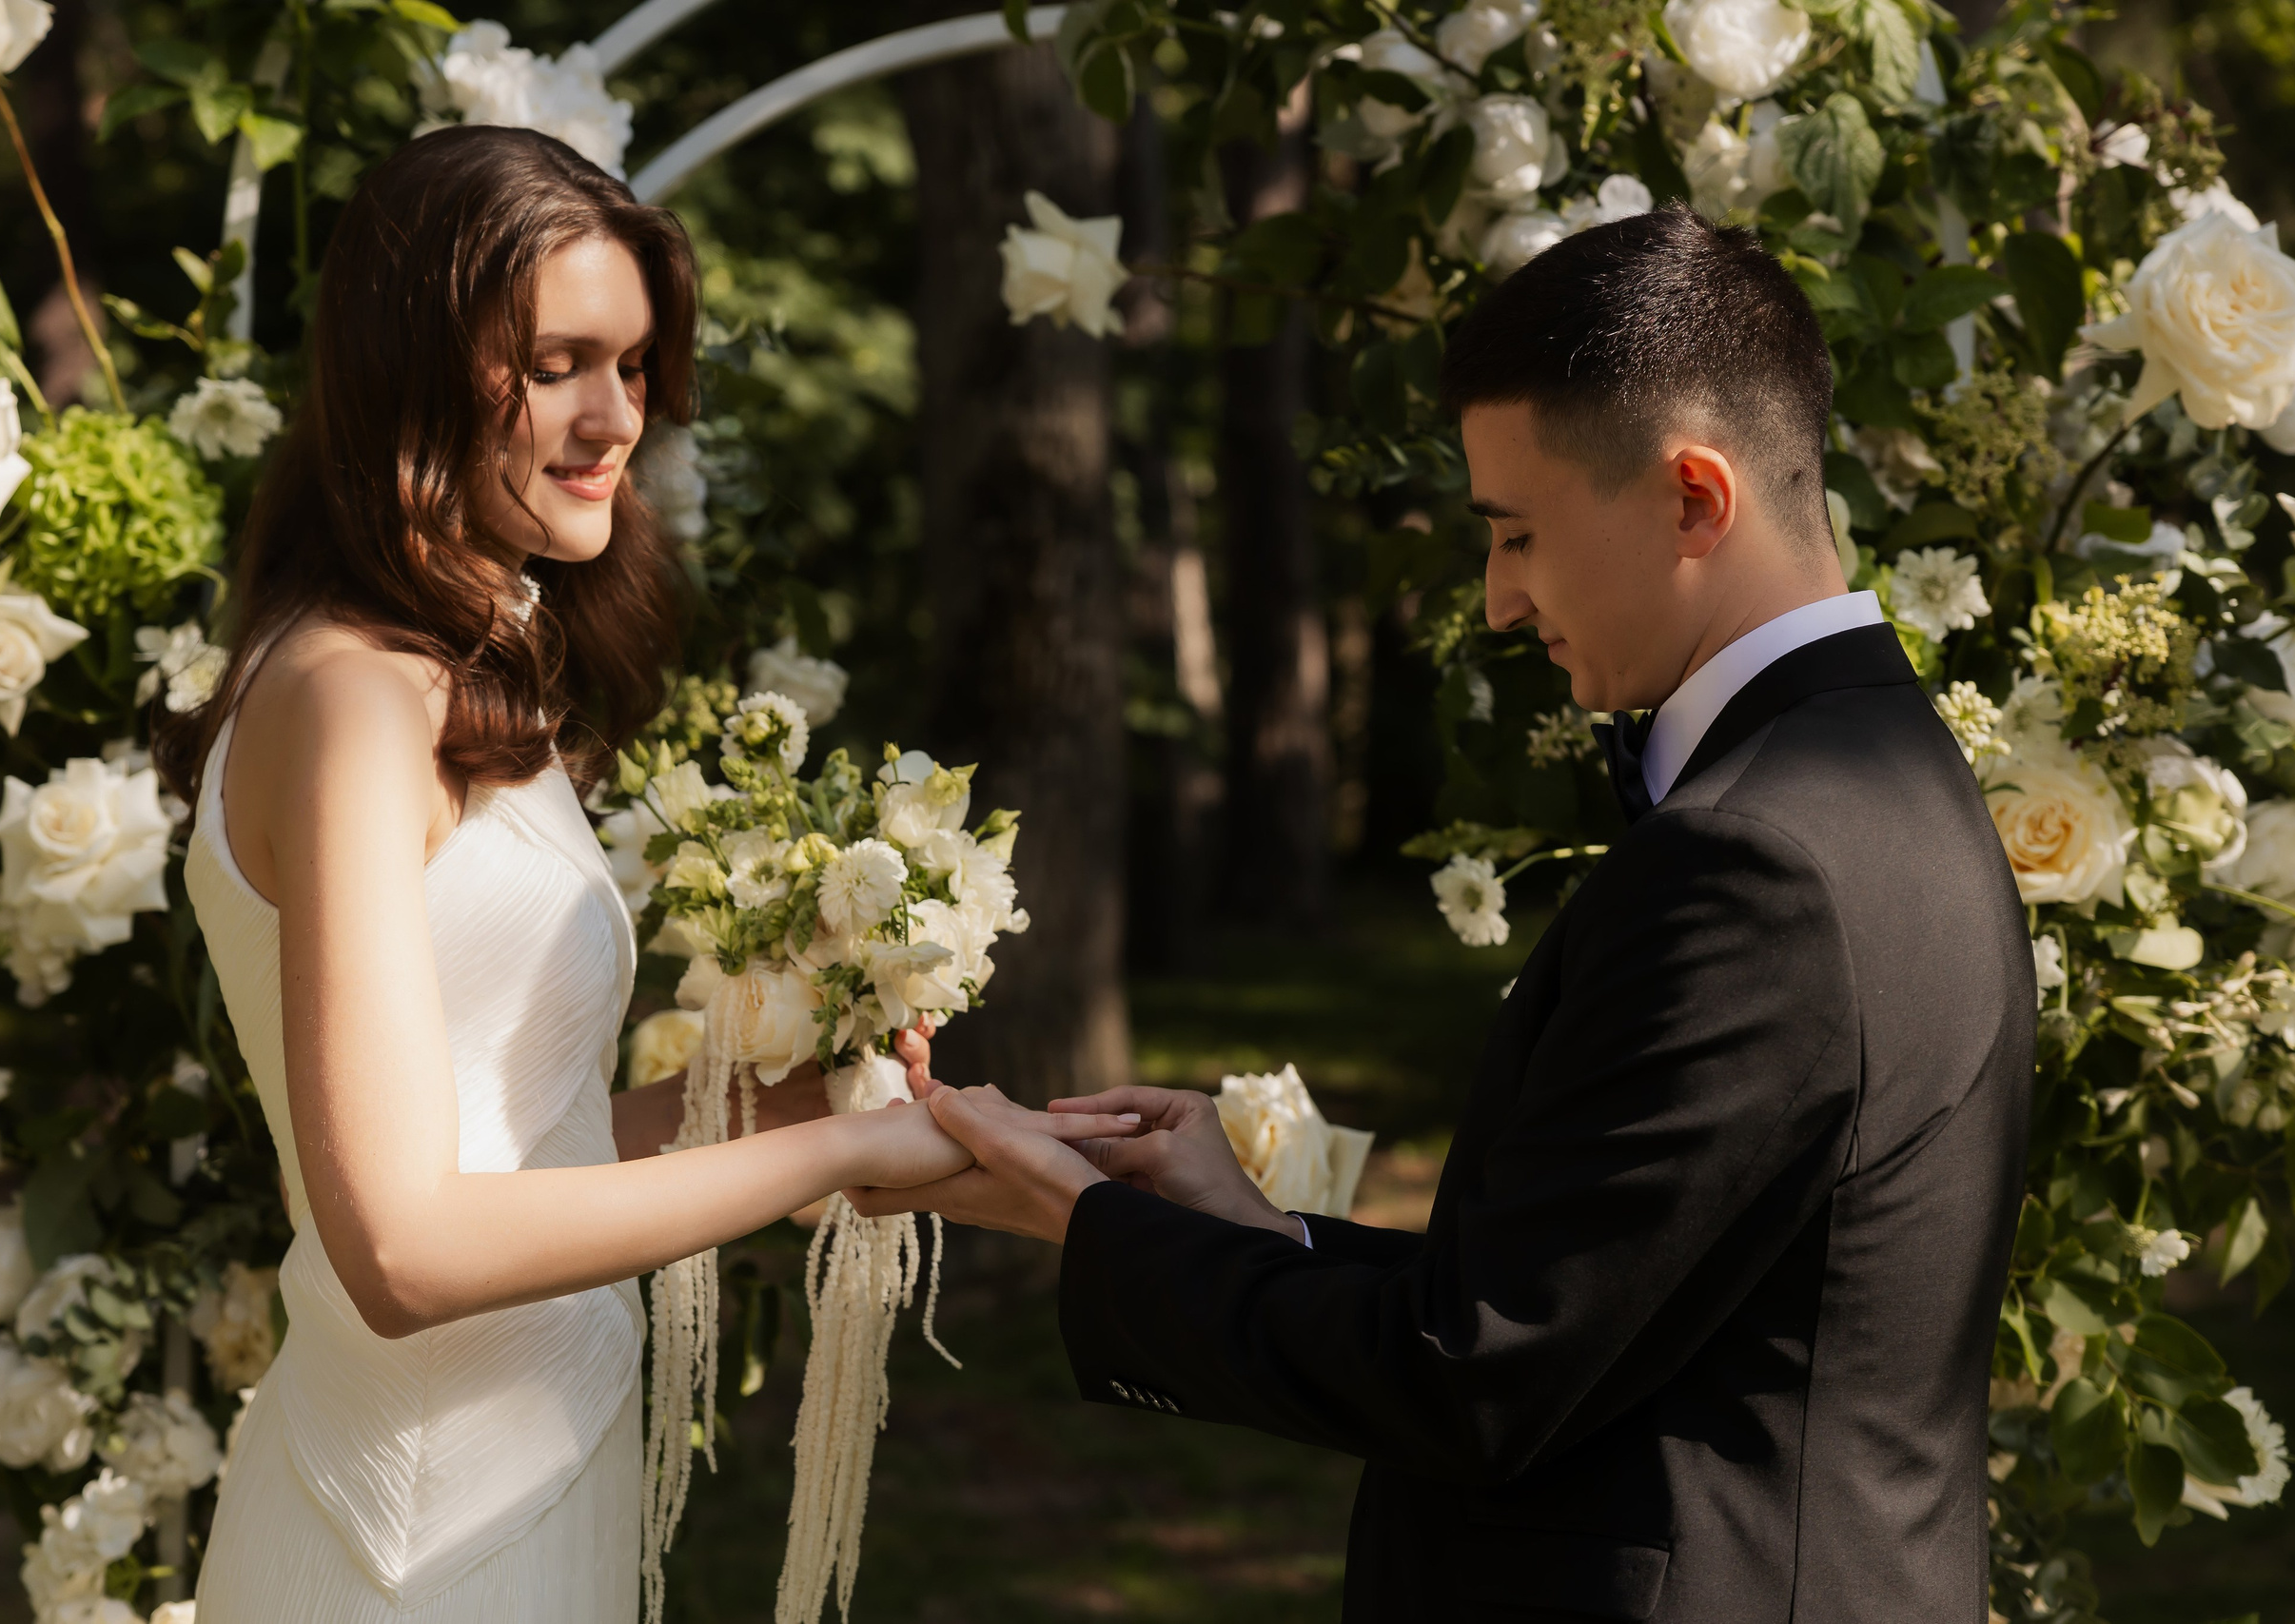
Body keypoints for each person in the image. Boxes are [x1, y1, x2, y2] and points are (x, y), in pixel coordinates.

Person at [860, 206, 2035, 1622]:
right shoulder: (1887, 778)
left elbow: (1478, 1375)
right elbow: (1589, 1294)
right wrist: (1252, 1231)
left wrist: (1082, 1222)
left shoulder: (1758, 865)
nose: (1495, 602)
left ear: (1692, 500)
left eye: (1519, 536)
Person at [169, 127, 1127, 1623]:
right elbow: (401, 1247)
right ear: (409, 364)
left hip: (538, 1486)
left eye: (632, 365)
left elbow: (508, 1143)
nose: (614, 415)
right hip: (409, 1543)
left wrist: (782, 1107)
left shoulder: (463, 683)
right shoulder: (354, 699)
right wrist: (829, 1163)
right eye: (555, 363)